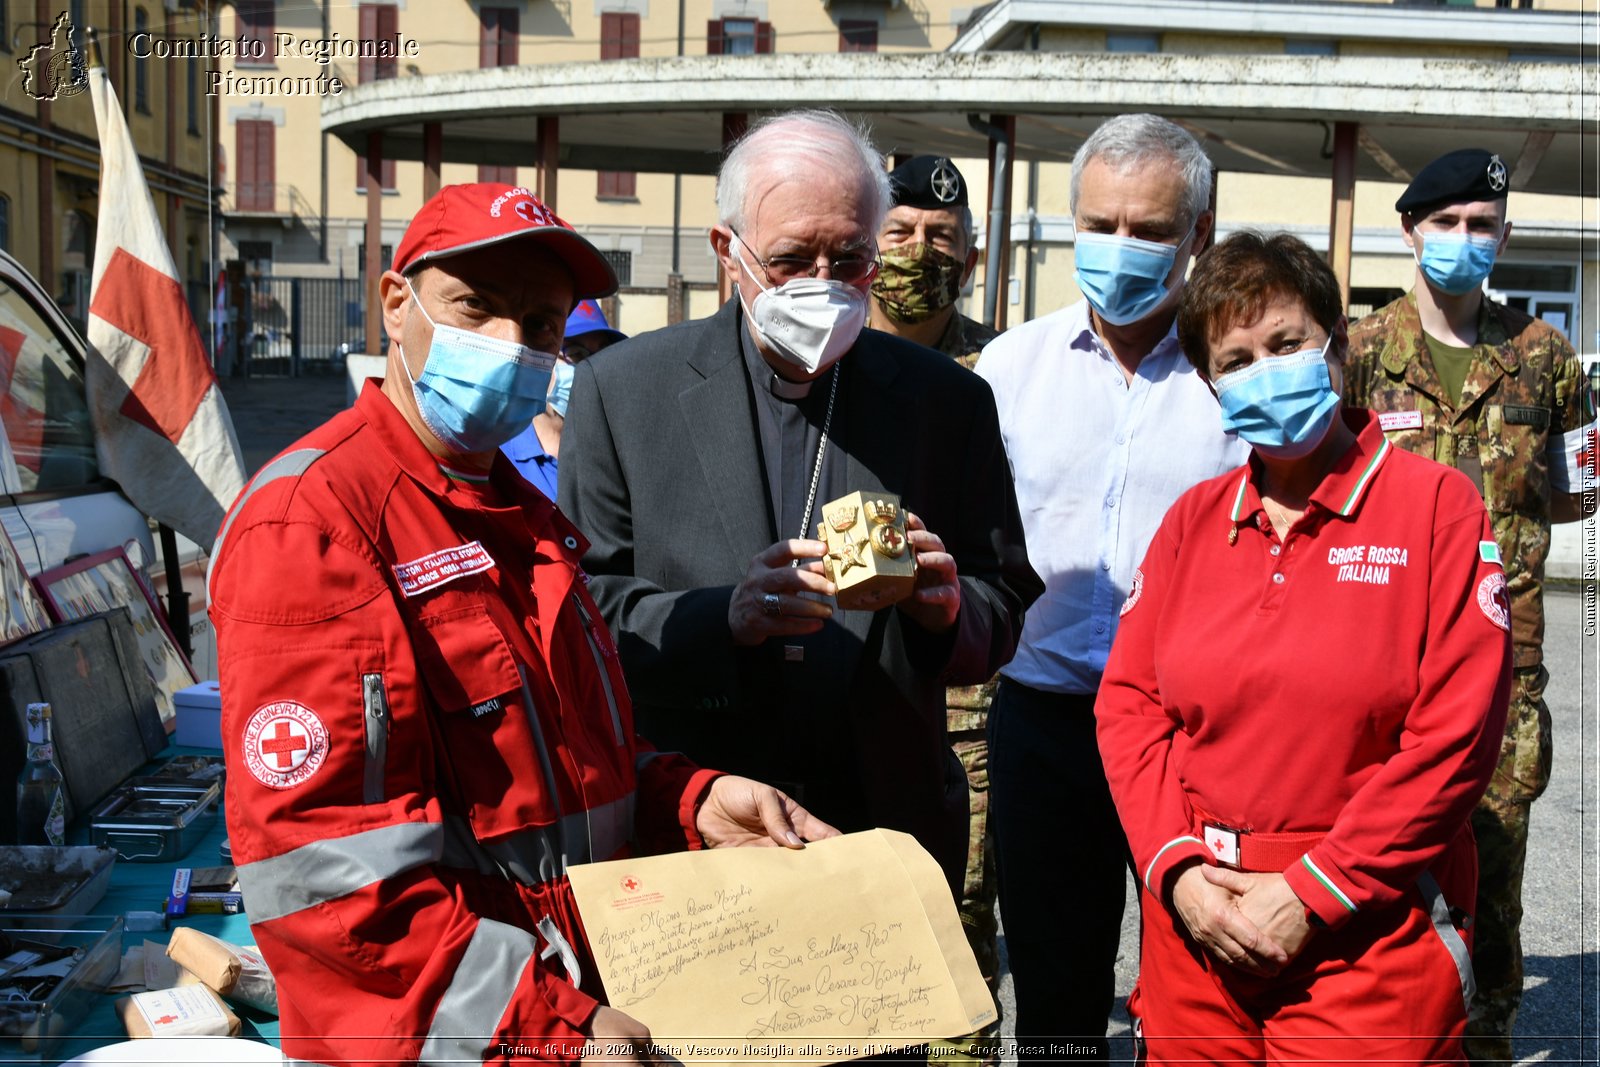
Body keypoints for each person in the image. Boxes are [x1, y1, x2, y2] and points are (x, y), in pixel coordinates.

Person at [208, 183, 837, 1067]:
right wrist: (549, 1028)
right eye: (477, 307)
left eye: (540, 325)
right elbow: (328, 884)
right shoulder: (315, 521)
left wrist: (694, 805)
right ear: (397, 303)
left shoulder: (520, 513)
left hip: (566, 1002)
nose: (510, 347)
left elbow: (568, 770)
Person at [559, 110, 1040, 912]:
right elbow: (586, 616)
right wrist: (726, 619)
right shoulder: (622, 392)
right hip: (696, 826)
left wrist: (948, 612)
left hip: (881, 827)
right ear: (729, 253)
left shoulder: (946, 401)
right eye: (789, 260)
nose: (822, 280)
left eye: (849, 258)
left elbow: (1004, 596)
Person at [1098, 229, 1512, 1062]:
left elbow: (1456, 739)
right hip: (1197, 925)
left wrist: (1316, 889)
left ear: (1338, 347)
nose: (1265, 370)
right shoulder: (1192, 521)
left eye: (1286, 344)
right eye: (1237, 359)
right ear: (1212, 386)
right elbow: (1130, 706)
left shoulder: (1437, 508)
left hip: (1366, 928)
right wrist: (1175, 872)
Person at [973, 112, 1249, 1061]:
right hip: (1043, 722)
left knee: (1205, 979)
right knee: (1054, 992)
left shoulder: (1235, 381)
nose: (1118, 249)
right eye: (1101, 225)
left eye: (1148, 231)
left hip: (1193, 737)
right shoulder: (1010, 369)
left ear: (1199, 238)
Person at [1342, 148, 1595, 1065]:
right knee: (1373, 859)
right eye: (1443, 223)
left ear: (1506, 236)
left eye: (1480, 224)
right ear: (1410, 231)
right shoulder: (1361, 352)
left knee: (1493, 866)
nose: (1462, 240)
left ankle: (1485, 1042)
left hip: (1504, 664)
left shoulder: (1546, 357)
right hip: (1381, 659)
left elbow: (1580, 488)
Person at [869, 153, 1000, 1067]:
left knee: (959, 921)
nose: (922, 252)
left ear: (973, 255)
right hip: (846, 681)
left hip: (966, 704)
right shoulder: (830, 359)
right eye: (902, 233)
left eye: (942, 239)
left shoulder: (1001, 367)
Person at [870, 155, 997, 367]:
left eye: (941, 236)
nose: (919, 247)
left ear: (968, 266)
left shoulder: (999, 363)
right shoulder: (833, 356)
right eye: (899, 232)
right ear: (866, 254)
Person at [503, 298, 627, 498]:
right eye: (576, 354)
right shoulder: (499, 451)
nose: (592, 368)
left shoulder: (612, 453)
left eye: (602, 355)